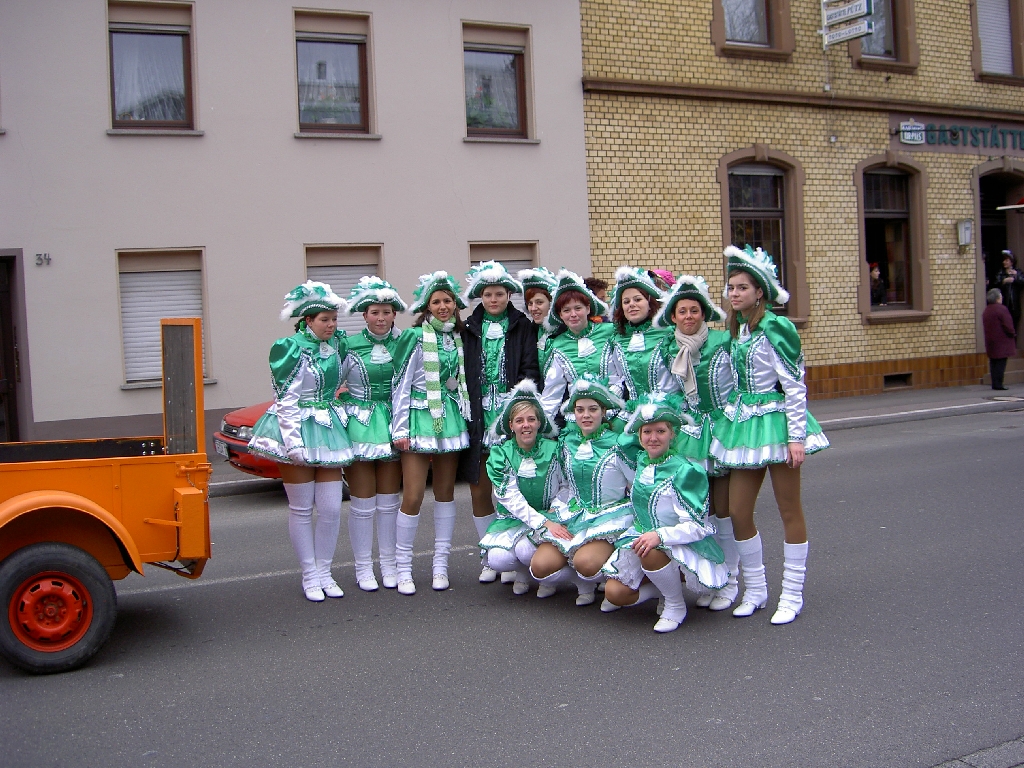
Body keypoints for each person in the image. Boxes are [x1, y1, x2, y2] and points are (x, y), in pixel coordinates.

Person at [710, 246, 830, 625]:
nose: (734, 293)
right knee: (738, 511)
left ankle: (792, 594)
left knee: (788, 508)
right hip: (745, 424)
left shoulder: (776, 327)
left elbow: (794, 386)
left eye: (742, 287)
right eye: (731, 287)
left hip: (777, 423)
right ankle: (756, 589)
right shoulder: (737, 330)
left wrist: (796, 437)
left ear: (759, 292)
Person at [249, 281, 355, 602]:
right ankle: (309, 574)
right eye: (324, 320)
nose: (331, 325)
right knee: (301, 508)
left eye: (334, 319)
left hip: (327, 428)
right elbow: (286, 400)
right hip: (297, 426)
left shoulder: (337, 345)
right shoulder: (290, 347)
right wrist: (293, 442)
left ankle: (325, 571)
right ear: (308, 320)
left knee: (331, 509)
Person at [601, 393, 730, 632]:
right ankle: (661, 589)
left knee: (650, 552)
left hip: (680, 543)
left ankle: (675, 604)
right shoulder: (642, 462)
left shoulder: (686, 471)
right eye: (647, 432)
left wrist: (660, 535)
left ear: (673, 434)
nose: (653, 438)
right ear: (639, 436)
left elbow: (697, 526)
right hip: (644, 539)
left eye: (660, 431)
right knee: (615, 593)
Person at [651, 274, 739, 610]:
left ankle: (731, 581)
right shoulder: (668, 348)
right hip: (688, 436)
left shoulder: (722, 341)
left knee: (724, 512)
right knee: (697, 512)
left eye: (694, 310)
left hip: (721, 433)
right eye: (682, 311)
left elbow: (737, 385)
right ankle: (709, 577)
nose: (688, 316)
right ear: (673, 316)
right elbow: (667, 394)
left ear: (704, 313)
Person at [459, 261, 541, 583]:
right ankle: (490, 555)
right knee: (480, 489)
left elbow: (530, 369)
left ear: (509, 295)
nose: (493, 300)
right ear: (480, 296)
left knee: (518, 486)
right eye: (488, 294)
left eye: (499, 294)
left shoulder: (523, 327)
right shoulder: (468, 328)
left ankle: (515, 555)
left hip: (511, 414)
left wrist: (518, 410)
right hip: (478, 418)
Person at [391, 271, 472, 595]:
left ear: (455, 305)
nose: (443, 306)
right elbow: (400, 385)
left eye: (447, 301)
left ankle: (441, 566)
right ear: (427, 306)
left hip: (449, 418)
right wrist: (399, 428)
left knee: (445, 494)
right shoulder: (413, 337)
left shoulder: (457, 337)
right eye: (436, 301)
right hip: (418, 418)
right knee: (412, 496)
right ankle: (403, 568)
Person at [531, 374, 633, 605]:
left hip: (610, 516)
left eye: (592, 409)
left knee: (585, 563)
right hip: (575, 513)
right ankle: (583, 582)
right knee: (540, 566)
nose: (586, 415)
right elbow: (565, 484)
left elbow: (636, 485)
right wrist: (557, 509)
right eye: (580, 410)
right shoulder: (567, 442)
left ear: (604, 411)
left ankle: (610, 575)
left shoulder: (619, 444)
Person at [337, 276, 408, 591]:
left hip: (394, 422)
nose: (381, 318)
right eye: (375, 312)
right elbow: (331, 381)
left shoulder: (405, 342)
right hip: (360, 424)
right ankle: (363, 568)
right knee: (362, 502)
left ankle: (389, 564)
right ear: (364, 314)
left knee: (390, 501)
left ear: (394, 314)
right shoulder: (348, 345)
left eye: (386, 312)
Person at [478, 379, 569, 595]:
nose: (526, 425)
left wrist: (554, 512)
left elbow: (566, 486)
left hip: (550, 515)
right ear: (511, 426)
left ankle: (554, 578)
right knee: (498, 559)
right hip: (515, 519)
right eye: (519, 420)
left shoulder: (555, 449)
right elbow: (510, 498)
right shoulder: (501, 454)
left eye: (531, 419)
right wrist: (541, 521)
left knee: (526, 550)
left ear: (539, 423)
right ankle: (523, 573)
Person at [539, 270, 622, 424]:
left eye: (578, 308)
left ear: (588, 309)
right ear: (560, 315)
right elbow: (552, 391)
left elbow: (623, 375)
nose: (573, 314)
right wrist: (542, 424)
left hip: (615, 415)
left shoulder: (610, 332)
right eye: (566, 310)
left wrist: (610, 402)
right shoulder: (558, 345)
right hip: (578, 420)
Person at [606, 266, 671, 431]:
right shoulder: (617, 340)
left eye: (637, 299)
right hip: (632, 413)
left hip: (666, 410)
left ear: (650, 303)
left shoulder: (668, 333)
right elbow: (618, 380)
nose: (632, 305)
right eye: (626, 302)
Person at [519, 266, 558, 368]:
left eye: (539, 302)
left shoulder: (566, 331)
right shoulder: (529, 332)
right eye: (530, 303)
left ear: (551, 303)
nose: (533, 308)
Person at [984, 288, 1016, 391]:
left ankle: (995, 383)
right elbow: (1008, 325)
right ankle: (999, 384)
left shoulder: (987, 310)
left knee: (993, 363)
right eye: (1001, 296)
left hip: (991, 341)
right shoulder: (1002, 309)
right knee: (1001, 363)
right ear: (997, 298)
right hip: (1002, 341)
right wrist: (1013, 333)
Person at [996, 251, 1024, 330]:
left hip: (1015, 306)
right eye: (1004, 260)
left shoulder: (1017, 272)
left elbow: (1022, 282)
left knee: (1014, 327)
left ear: (1012, 262)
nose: (1004, 262)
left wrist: (1016, 277)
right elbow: (996, 285)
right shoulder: (1001, 273)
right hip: (1004, 305)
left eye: (1006, 260)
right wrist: (1004, 281)